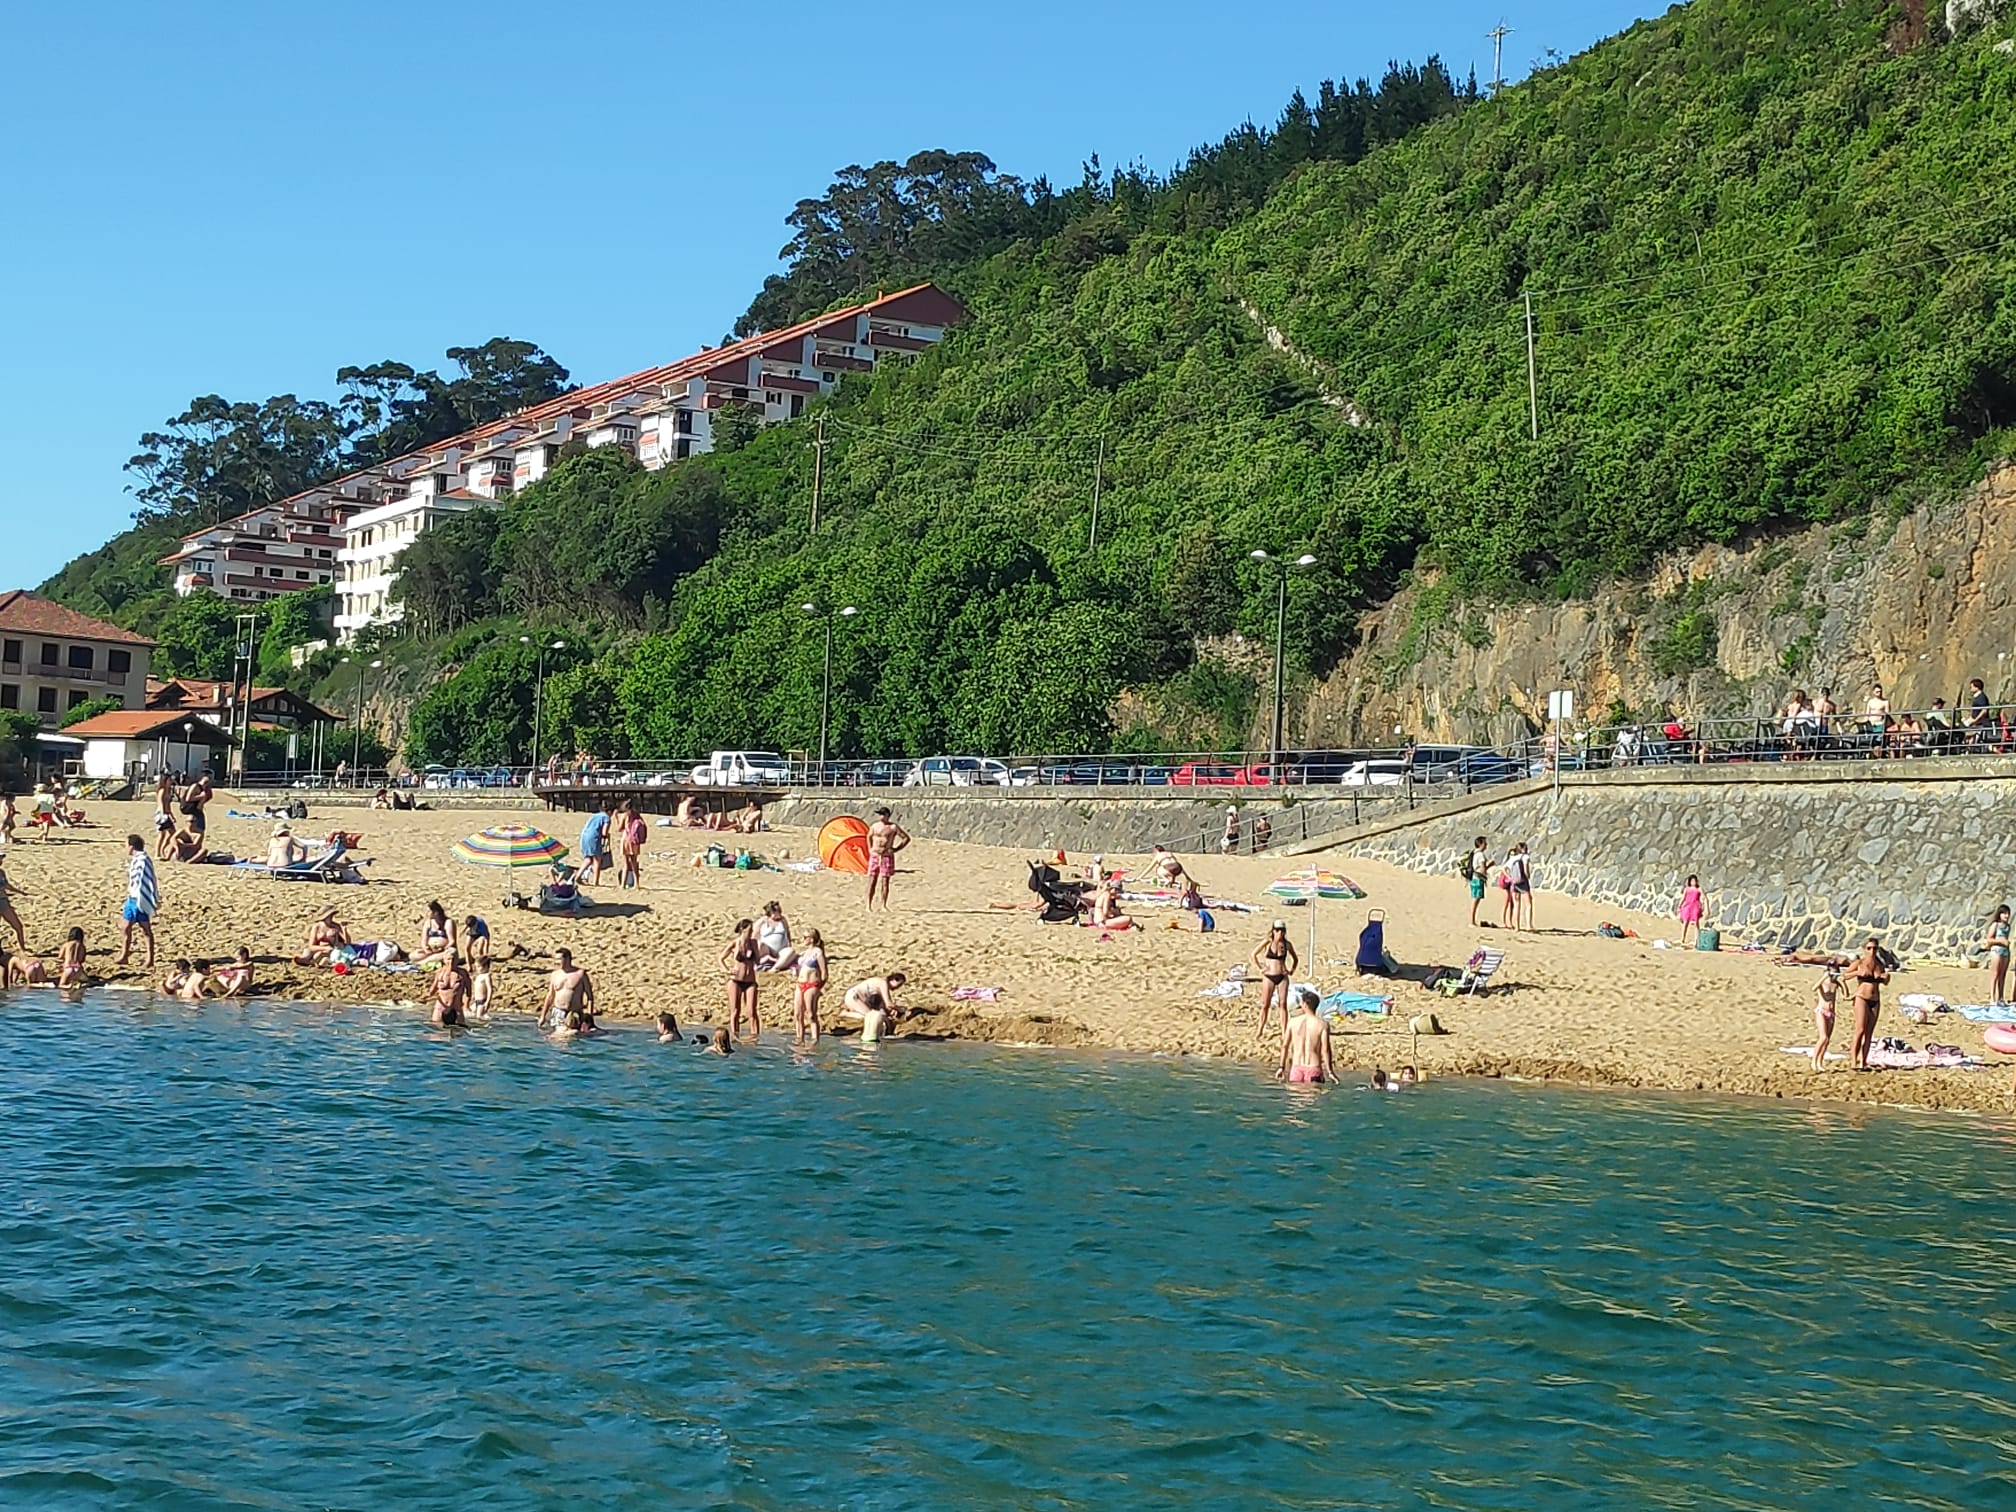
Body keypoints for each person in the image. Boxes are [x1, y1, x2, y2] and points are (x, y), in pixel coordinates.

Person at [1275, 986, 1336, 1085]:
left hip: (1296, 1068)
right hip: (1313, 1068)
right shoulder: (1322, 1025)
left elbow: (1285, 1046)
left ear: (1304, 1004)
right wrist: (1330, 1072)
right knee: (1312, 1098)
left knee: (1296, 1098)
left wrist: (1281, 1067)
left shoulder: (1292, 1022)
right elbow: (1325, 1050)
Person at [1846, 937, 1889, 1072]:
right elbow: (1844, 975)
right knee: (1860, 1030)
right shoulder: (1860, 963)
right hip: (1862, 997)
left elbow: (1885, 982)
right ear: (1864, 949)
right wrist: (1857, 972)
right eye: (1869, 948)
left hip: (1875, 999)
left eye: (1874, 948)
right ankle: (1854, 1061)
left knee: (1869, 1033)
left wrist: (1886, 978)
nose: (1872, 951)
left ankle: (1863, 1061)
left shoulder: (1879, 964)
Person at [1251, 921, 1298, 1041]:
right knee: (1265, 1005)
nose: (1279, 933)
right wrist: (1260, 968)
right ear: (1273, 930)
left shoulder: (1287, 945)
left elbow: (1295, 958)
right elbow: (1253, 954)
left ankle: (1284, 1031)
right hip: (1269, 976)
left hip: (1282, 976)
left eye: (1282, 930)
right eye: (1277, 930)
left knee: (1283, 1005)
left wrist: (1291, 970)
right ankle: (1260, 1030)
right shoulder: (1268, 942)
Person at [118, 833, 158, 968]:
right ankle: (124, 955)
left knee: (145, 929)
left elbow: (145, 879)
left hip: (140, 898)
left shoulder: (143, 860)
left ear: (131, 846)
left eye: (126, 845)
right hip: (132, 897)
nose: (125, 848)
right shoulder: (137, 859)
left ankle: (150, 958)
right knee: (125, 926)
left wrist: (144, 895)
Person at [722, 919, 762, 1042]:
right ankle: (735, 1035)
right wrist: (726, 970)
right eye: (749, 930)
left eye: (752, 930)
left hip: (750, 981)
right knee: (735, 1010)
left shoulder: (754, 943)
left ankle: (755, 1037)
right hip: (735, 981)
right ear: (742, 930)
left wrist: (753, 952)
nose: (751, 933)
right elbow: (721, 958)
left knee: (752, 1011)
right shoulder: (735, 943)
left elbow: (758, 961)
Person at [540, 947, 595, 1031]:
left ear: (568, 958)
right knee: (558, 1039)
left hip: (574, 1014)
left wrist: (589, 1017)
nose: (556, 962)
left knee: (575, 1038)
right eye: (556, 959)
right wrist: (543, 1016)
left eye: (559, 959)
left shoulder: (580, 974)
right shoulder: (555, 975)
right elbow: (550, 995)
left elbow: (589, 997)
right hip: (558, 1012)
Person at [865, 807, 910, 911]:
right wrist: (870, 849)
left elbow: (906, 838)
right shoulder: (874, 826)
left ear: (887, 815)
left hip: (886, 856)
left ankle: (883, 905)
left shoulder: (893, 827)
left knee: (885, 881)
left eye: (882, 814)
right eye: (879, 814)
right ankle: (868, 905)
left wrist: (895, 849)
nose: (880, 816)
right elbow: (868, 836)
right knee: (872, 880)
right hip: (875, 855)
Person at [844, 972, 906, 1044]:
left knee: (873, 1017)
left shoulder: (880, 986)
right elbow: (889, 1004)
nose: (897, 988)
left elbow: (885, 1007)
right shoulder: (883, 983)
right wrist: (901, 1009)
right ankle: (845, 1014)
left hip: (854, 998)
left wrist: (892, 1012)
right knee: (871, 1017)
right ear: (893, 980)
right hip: (854, 997)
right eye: (899, 985)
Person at [794, 927, 828, 1046]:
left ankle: (815, 1039)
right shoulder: (803, 953)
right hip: (800, 984)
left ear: (812, 939)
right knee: (798, 1014)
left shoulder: (818, 952)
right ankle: (800, 1037)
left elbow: (824, 973)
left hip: (812, 985)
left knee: (811, 1014)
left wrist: (819, 987)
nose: (802, 939)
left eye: (805, 937)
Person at [1811, 966, 1841, 1072]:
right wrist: (1824, 977)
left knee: (1827, 1039)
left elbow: (1846, 994)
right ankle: (1814, 1061)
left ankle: (1820, 1062)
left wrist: (1842, 982)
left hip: (1831, 1013)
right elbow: (1814, 988)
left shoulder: (1835, 984)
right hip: (1821, 1011)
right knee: (1823, 1037)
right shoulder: (1823, 983)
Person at [431, 950, 470, 1026]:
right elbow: (432, 990)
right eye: (448, 959)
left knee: (459, 1032)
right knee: (437, 1033)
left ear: (457, 959)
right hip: (440, 1007)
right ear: (444, 960)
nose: (451, 961)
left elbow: (469, 991)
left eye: (454, 959)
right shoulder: (439, 972)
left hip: (456, 1008)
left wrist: (466, 1005)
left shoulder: (462, 973)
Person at [1984, 904, 2012, 1005]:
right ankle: (1992, 997)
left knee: (2002, 975)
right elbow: (1989, 939)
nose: (2006, 916)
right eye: (2004, 913)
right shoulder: (1995, 925)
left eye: (2008, 914)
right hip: (1996, 950)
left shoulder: (2008, 927)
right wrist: (2000, 941)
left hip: (2005, 952)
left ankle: (2001, 997)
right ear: (1999, 914)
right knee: (1995, 974)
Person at [577, 802, 611, 888]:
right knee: (597, 859)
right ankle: (596, 881)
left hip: (584, 836)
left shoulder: (593, 815)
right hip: (594, 838)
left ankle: (578, 876)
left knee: (588, 858)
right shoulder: (606, 817)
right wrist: (608, 836)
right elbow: (604, 832)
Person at [0, 848, 26, 950]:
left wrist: (20, 891)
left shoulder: (2, 872)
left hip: (3, 901)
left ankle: (22, 948)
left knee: (18, 926)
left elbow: (7, 886)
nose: (1, 861)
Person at [755, 900, 793, 969]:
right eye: (777, 912)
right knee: (759, 944)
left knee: (791, 951)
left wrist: (789, 944)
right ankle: (764, 960)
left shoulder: (783, 920)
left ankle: (775, 967)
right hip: (765, 951)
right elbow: (754, 937)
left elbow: (788, 934)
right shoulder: (761, 922)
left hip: (780, 951)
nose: (779, 914)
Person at [1464, 836, 1491, 928]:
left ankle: (1472, 920)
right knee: (1476, 899)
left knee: (1474, 898)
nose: (1486, 845)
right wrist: (1489, 866)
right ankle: (1472, 921)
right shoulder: (1480, 855)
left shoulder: (1474, 854)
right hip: (1478, 878)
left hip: (1473, 878)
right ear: (1481, 844)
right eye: (1485, 843)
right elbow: (1483, 868)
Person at [618, 801, 644, 890]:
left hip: (626, 839)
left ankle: (623, 884)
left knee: (625, 863)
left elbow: (619, 828)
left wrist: (617, 818)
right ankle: (637, 883)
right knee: (634, 862)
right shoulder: (637, 815)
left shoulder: (625, 815)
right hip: (634, 840)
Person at [1677, 874, 1705, 948]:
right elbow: (1683, 898)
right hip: (1688, 906)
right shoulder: (1687, 889)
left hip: (1695, 906)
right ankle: (1682, 938)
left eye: (1694, 881)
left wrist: (1703, 905)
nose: (1693, 882)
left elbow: (1703, 897)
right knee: (1685, 922)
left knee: (1696, 923)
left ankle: (1696, 940)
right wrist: (1679, 906)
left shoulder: (1699, 889)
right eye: (1692, 881)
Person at [154, 773, 178, 858]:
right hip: (162, 814)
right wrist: (164, 815)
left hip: (166, 813)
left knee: (173, 833)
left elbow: (168, 805)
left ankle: (163, 849)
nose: (171, 782)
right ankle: (157, 853)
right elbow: (161, 804)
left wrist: (171, 815)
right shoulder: (162, 790)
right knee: (162, 834)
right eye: (169, 780)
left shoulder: (168, 791)